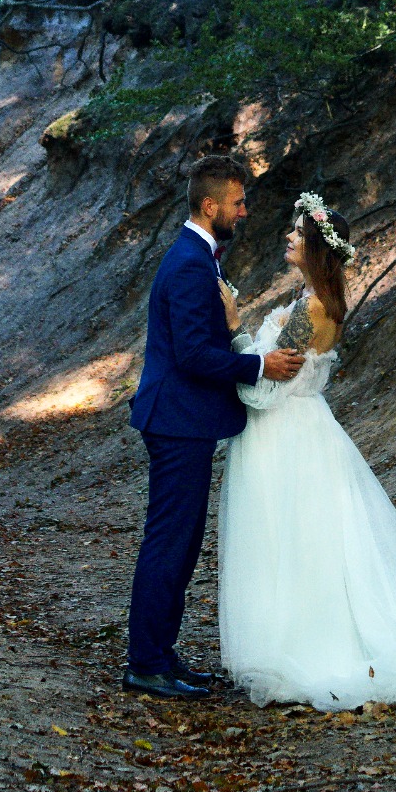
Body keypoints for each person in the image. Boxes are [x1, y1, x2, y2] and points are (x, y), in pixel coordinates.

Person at [217, 190, 396, 709]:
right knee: (305, 540)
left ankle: (308, 650)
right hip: (298, 429)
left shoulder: (316, 307)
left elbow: (266, 385)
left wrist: (234, 330)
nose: (288, 236)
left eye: (297, 232)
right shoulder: (311, 302)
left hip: (287, 434)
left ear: (317, 248)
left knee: (296, 541)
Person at [124, 153, 304, 699]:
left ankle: (161, 655)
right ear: (210, 205)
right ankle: (146, 663)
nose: (244, 211)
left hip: (186, 419)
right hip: (176, 420)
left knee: (181, 542)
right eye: (237, 202)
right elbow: (193, 355)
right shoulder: (187, 264)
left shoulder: (199, 258)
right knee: (169, 542)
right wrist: (258, 365)